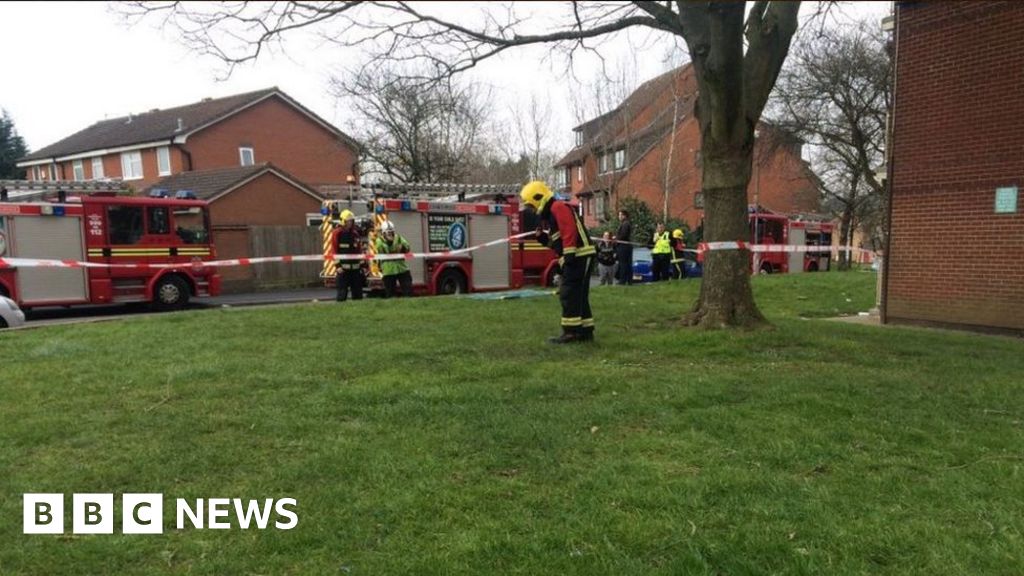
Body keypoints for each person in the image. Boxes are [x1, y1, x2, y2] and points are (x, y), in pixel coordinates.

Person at [521, 180, 595, 344]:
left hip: (579, 255)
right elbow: (557, 243)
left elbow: (569, 231)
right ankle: (584, 331)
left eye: (531, 205)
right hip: (579, 255)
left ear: (538, 198)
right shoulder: (551, 213)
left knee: (568, 292)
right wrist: (542, 238)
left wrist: (569, 256)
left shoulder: (557, 207)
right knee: (578, 294)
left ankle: (571, 332)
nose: (532, 210)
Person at [332, 209, 366, 301]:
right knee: (342, 294)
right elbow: (334, 250)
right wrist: (338, 266)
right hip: (343, 270)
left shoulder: (355, 233)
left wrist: (363, 266)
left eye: (351, 221)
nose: (350, 223)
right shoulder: (337, 233)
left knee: (358, 294)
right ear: (343, 221)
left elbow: (359, 250)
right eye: (348, 221)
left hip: (355, 269)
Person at [374, 220, 414, 298]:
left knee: (408, 291)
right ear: (383, 233)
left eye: (391, 232)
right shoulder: (379, 240)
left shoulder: (398, 238)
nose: (390, 234)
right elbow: (383, 250)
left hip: (402, 268)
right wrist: (390, 243)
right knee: (391, 295)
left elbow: (407, 247)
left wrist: (402, 248)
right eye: (388, 232)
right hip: (388, 271)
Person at [614, 209, 633, 285]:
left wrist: (616, 238)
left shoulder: (625, 224)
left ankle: (622, 280)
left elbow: (623, 235)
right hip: (626, 246)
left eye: (620, 215)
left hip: (623, 247)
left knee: (623, 264)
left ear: (624, 216)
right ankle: (629, 280)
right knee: (627, 264)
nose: (619, 216)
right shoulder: (626, 223)